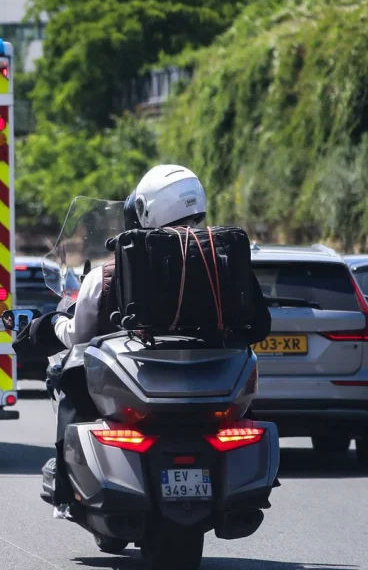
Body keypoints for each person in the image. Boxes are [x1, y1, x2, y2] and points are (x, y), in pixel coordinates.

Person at [42, 164, 272, 519]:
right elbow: (257, 324)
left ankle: (64, 488)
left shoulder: (106, 272)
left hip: (139, 390)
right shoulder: (224, 257)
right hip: (212, 389)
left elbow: (78, 337)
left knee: (66, 377)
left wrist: (56, 323)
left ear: (146, 209)